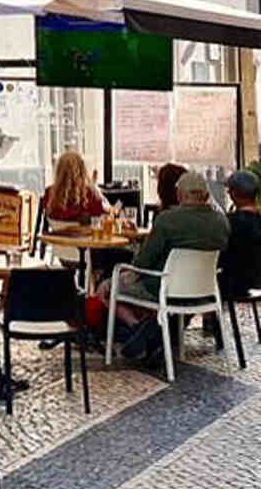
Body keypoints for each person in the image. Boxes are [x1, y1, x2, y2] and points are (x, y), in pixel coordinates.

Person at [102, 172, 230, 359]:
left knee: (105, 288)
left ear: (179, 195)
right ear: (205, 195)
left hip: (163, 288)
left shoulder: (167, 220)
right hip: (206, 291)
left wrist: (128, 270)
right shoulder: (222, 222)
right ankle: (151, 330)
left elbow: (144, 262)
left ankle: (139, 328)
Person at [221, 171, 261, 303]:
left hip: (235, 284)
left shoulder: (228, 222)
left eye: (229, 190)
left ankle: (211, 321)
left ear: (234, 194)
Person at [42, 152, 106, 222]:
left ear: (59, 171)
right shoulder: (90, 194)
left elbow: (48, 217)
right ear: (82, 171)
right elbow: (99, 217)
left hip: (55, 232)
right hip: (86, 232)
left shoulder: (49, 193)